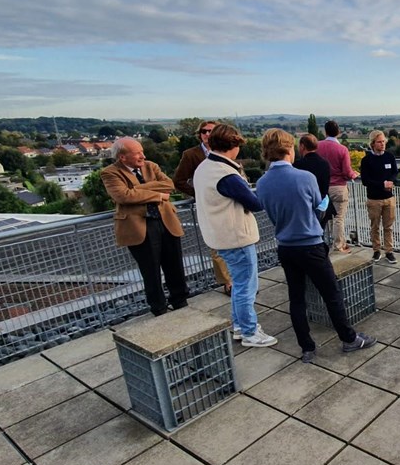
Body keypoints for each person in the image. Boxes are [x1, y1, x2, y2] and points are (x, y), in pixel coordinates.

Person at [256, 129, 375, 363]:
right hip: (310, 245)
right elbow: (318, 208)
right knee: (331, 295)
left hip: (286, 247)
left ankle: (307, 348)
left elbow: (270, 213)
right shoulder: (304, 177)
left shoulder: (262, 183)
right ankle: (349, 339)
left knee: (296, 299)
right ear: (289, 149)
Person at [192, 124, 277, 348]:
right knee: (246, 286)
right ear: (233, 145)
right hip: (236, 237)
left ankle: (240, 326)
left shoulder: (204, 168)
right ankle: (249, 331)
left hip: (220, 236)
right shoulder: (226, 174)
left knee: (239, 284)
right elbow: (255, 203)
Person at [101, 137, 188, 316]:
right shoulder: (110, 173)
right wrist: (158, 195)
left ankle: (180, 300)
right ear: (123, 157)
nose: (143, 156)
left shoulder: (151, 166)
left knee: (174, 264)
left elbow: (169, 185)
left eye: (142, 151)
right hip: (139, 227)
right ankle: (159, 307)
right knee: (150, 270)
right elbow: (124, 196)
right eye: (138, 153)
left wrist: (139, 189)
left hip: (165, 221)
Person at [172, 120, 233, 296]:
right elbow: (178, 181)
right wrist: (198, 193)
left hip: (227, 202)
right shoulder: (191, 154)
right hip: (208, 206)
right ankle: (228, 282)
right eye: (204, 131)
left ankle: (238, 279)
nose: (207, 134)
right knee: (216, 243)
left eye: (211, 131)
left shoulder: (226, 151)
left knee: (233, 241)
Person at [316, 120, 359, 253]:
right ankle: (339, 245)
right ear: (338, 132)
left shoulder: (317, 146)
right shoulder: (342, 149)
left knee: (323, 217)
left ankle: (320, 244)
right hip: (339, 187)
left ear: (325, 131)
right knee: (338, 218)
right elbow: (346, 172)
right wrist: (354, 174)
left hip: (321, 188)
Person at [360, 130, 398, 263]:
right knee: (375, 227)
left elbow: (395, 172)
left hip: (389, 198)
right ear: (372, 144)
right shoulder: (366, 160)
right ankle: (376, 250)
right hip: (374, 199)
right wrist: (382, 184)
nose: (382, 144)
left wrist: (391, 181)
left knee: (388, 227)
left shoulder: (389, 156)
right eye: (379, 142)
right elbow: (365, 181)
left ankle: (389, 251)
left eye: (383, 141)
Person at [295, 133, 334, 231]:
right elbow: (325, 187)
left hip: (304, 206)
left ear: (302, 146)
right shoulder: (324, 163)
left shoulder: (298, 165)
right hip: (322, 205)